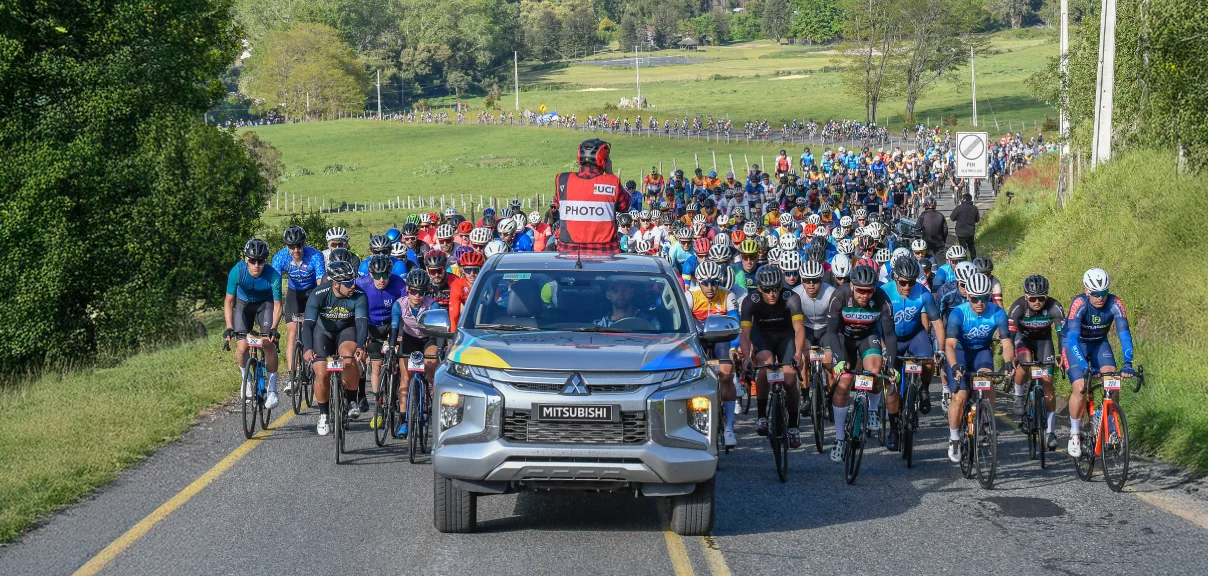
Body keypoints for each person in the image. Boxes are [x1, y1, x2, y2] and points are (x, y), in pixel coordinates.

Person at [825, 264, 896, 462]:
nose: (865, 295)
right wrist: (838, 360)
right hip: (844, 338)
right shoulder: (840, 295)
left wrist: (891, 366)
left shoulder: (881, 298)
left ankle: (872, 409)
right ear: (852, 286)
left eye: (869, 291)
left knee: (875, 371)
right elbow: (831, 331)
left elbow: (890, 335)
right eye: (860, 291)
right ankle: (840, 438)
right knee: (845, 382)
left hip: (868, 336)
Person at [1062, 268, 1134, 458]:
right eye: (1095, 293)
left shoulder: (1115, 303)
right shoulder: (1079, 304)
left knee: (1112, 380)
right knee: (1080, 387)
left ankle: (1111, 424)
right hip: (1075, 344)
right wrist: (1083, 367)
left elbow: (1125, 335)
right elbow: (1072, 339)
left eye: (1104, 292)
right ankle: (1074, 433)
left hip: (1099, 343)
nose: (1100, 297)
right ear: (1086, 290)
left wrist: (1128, 363)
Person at [943, 273, 1013, 463]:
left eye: (984, 298)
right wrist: (954, 365)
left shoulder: (998, 313)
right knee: (960, 396)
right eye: (975, 298)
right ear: (968, 296)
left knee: (986, 382)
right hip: (960, 352)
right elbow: (949, 345)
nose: (980, 303)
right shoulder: (958, 313)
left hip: (982, 351)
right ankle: (954, 438)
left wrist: (1008, 362)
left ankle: (986, 420)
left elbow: (1006, 342)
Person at [739, 265, 807, 449]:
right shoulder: (750, 301)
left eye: (776, 288)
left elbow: (799, 329)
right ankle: (762, 416)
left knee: (790, 380)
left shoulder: (791, 297)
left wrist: (798, 354)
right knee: (765, 365)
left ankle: (793, 426)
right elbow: (745, 333)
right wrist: (747, 357)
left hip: (786, 336)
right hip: (762, 336)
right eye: (767, 290)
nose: (772, 294)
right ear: (759, 288)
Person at [301, 260, 368, 435]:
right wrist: (307, 348)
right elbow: (308, 325)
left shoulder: (359, 295)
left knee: (348, 357)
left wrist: (361, 346)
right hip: (323, 332)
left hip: (347, 331)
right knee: (322, 373)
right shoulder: (319, 294)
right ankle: (323, 414)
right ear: (335, 284)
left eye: (353, 280)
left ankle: (351, 401)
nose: (353, 285)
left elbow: (362, 323)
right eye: (348, 283)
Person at [684, 261, 740, 448]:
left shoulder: (727, 295)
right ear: (699, 282)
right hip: (698, 339)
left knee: (726, 375)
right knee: (694, 378)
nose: (710, 287)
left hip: (722, 338)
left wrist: (733, 349)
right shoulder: (690, 296)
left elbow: (736, 325)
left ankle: (729, 428)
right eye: (705, 283)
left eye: (714, 283)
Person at [881, 257, 945, 421]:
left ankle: (924, 388)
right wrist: (882, 347)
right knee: (892, 384)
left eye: (911, 283)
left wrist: (940, 350)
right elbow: (875, 324)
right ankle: (893, 427)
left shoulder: (923, 293)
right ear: (895, 279)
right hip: (892, 338)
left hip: (915, 334)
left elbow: (937, 323)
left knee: (928, 361)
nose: (907, 287)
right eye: (903, 283)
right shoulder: (884, 292)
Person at [1008, 274, 1065, 450]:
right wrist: (1011, 358)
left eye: (1041, 298)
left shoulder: (1055, 307)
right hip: (1023, 339)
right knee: (1024, 364)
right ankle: (1019, 396)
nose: (1037, 302)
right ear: (1026, 297)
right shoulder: (1018, 306)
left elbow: (1061, 334)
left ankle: (1050, 432)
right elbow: (1010, 335)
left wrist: (1061, 354)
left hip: (1044, 342)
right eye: (1033, 298)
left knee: (1048, 384)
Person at [224, 238, 283, 409]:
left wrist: (273, 328)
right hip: (244, 304)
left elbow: (278, 305)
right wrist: (229, 327)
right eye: (252, 261)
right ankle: (246, 380)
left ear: (265, 261)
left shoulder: (273, 275)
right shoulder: (237, 271)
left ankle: (272, 390)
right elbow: (229, 301)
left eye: (261, 261)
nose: (256, 265)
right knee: (242, 346)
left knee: (268, 343)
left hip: (265, 304)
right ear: (246, 259)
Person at [271, 226, 325, 394]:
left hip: (312, 292)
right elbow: (275, 285)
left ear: (304, 244)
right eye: (292, 246)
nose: (296, 250)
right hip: (294, 293)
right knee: (292, 332)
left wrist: (319, 306)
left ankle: (315, 361)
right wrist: (277, 305)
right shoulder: (280, 257)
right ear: (286, 246)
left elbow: (320, 284)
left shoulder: (315, 255)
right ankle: (292, 376)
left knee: (314, 327)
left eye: (299, 245)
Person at [552, 139, 630, 254]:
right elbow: (625, 206)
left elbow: (558, 205)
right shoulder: (612, 182)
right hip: (605, 253)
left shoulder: (563, 180)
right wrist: (610, 172)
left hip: (568, 252)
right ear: (604, 161)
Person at [389, 268, 442, 437]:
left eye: (421, 292)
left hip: (428, 339)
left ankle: (432, 395)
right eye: (413, 291)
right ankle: (404, 420)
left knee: (431, 366)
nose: (417, 296)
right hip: (409, 339)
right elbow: (394, 329)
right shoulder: (399, 305)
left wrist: (440, 351)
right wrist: (391, 348)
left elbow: (439, 333)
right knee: (405, 378)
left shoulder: (432, 305)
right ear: (407, 290)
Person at [358, 255, 406, 431]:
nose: (381, 279)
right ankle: (378, 407)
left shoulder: (399, 284)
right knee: (376, 366)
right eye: (377, 275)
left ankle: (397, 390)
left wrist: (401, 334)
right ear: (370, 274)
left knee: (397, 361)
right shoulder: (361, 284)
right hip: (372, 327)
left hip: (393, 325)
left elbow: (406, 310)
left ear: (390, 273)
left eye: (385, 275)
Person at [594, 278, 662, 329]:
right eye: (615, 291)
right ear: (608, 295)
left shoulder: (650, 322)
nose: (620, 295)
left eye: (625, 290)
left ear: (632, 292)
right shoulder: (599, 326)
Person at [449, 251, 485, 331]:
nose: (472, 274)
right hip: (467, 320)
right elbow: (454, 315)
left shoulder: (489, 282)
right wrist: (453, 335)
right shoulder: (457, 285)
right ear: (463, 270)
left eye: (476, 270)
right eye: (468, 270)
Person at [949, 193, 980, 258]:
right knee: (971, 247)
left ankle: (963, 260)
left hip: (960, 232)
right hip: (970, 232)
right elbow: (977, 219)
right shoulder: (974, 208)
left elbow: (952, 218)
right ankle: (974, 260)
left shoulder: (959, 208)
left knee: (962, 248)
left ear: (963, 199)